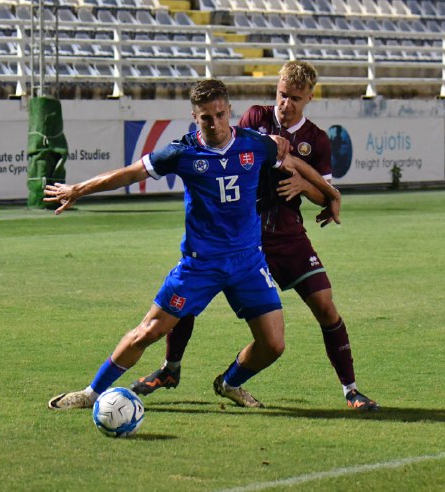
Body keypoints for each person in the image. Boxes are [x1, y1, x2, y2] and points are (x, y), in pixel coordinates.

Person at [45, 79, 341, 410]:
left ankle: (229, 382)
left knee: (273, 344)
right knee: (149, 332)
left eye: (219, 114)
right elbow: (129, 174)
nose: (214, 123)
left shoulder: (257, 145)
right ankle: (91, 392)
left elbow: (292, 161)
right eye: (205, 117)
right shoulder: (181, 152)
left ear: (229, 111)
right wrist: (78, 190)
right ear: (194, 117)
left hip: (248, 263)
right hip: (201, 265)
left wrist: (332, 194)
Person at [132, 62, 380, 411]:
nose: (286, 103)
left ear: (309, 97)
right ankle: (170, 369)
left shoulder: (318, 140)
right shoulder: (254, 118)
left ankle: (350, 390)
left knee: (325, 306)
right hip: (240, 234)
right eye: (282, 95)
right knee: (188, 294)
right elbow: (234, 153)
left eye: (295, 98)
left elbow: (323, 194)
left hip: (286, 234)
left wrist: (308, 187)